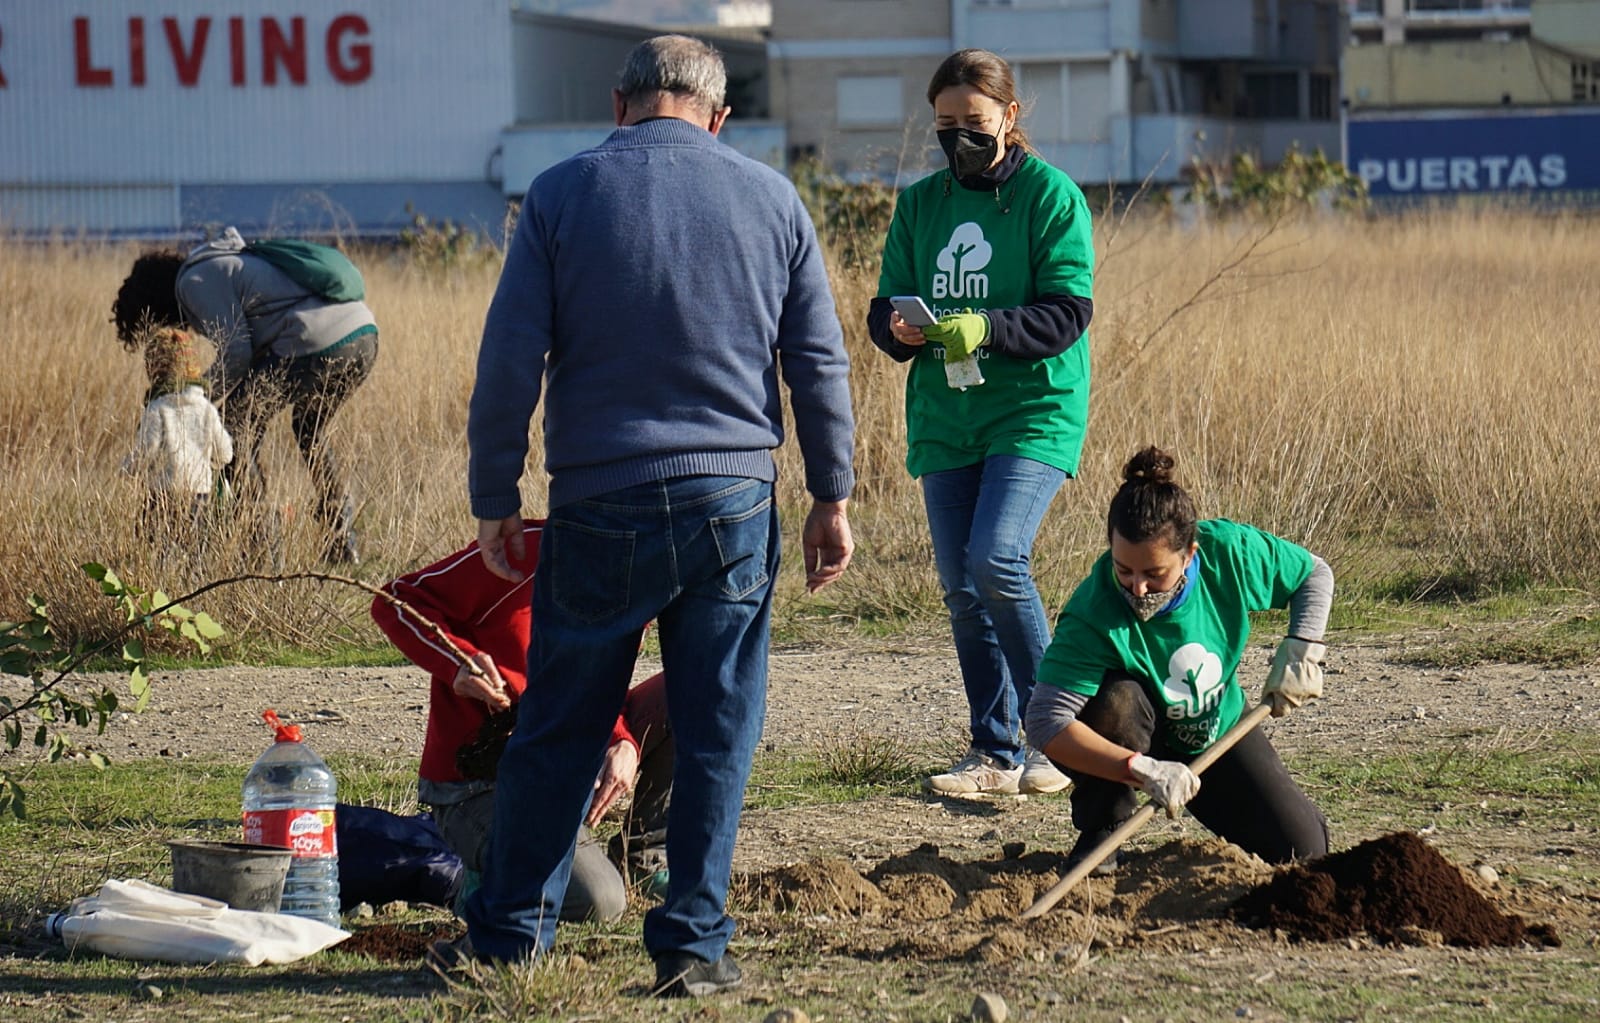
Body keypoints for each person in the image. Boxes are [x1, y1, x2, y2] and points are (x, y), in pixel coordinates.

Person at [452, 35, 856, 997]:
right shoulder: (771, 199)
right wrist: (830, 493)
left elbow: (509, 362)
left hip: (598, 497)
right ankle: (693, 949)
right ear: (719, 117)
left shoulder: (558, 194)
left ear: (619, 102)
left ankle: (509, 940)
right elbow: (819, 365)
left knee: (560, 722)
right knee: (717, 723)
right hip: (732, 499)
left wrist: (495, 497)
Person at [867, 49, 1094, 797]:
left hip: (1031, 410)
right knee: (963, 587)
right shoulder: (921, 203)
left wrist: (987, 327)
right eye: (945, 124)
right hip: (946, 416)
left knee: (998, 558)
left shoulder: (1051, 197)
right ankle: (993, 750)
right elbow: (883, 305)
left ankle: (1057, 736)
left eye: (975, 122)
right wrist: (896, 329)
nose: (959, 136)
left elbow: (1067, 312)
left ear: (1009, 117)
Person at [1025, 447, 1332, 875]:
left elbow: (1313, 575)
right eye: (1124, 570)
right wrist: (1138, 768)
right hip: (1135, 739)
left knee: (1304, 849)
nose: (1138, 588)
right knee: (1117, 701)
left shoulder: (1230, 553)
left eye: (1155, 574)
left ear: (1190, 553)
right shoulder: (1092, 613)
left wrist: (1303, 649)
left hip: (1213, 732)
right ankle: (1105, 826)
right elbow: (1046, 720)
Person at [370, 518, 674, 924]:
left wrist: (624, 741)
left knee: (695, 687)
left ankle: (642, 857)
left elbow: (598, 687)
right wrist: (458, 662)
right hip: (478, 787)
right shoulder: (521, 554)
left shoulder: (638, 583)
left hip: (563, 768)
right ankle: (482, 882)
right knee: (600, 901)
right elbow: (395, 600)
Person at [111, 227, 379, 564]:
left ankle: (262, 547)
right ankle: (342, 538)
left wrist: (194, 399)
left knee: (234, 429)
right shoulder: (226, 262)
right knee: (309, 429)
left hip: (314, 343)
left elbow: (237, 352)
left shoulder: (194, 282)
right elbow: (249, 356)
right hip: (363, 337)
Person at [120, 326, 234, 546]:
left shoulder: (157, 408)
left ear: (154, 368)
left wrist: (127, 468)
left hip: (162, 496)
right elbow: (226, 454)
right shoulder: (206, 409)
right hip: (200, 496)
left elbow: (147, 450)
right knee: (195, 555)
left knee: (157, 551)